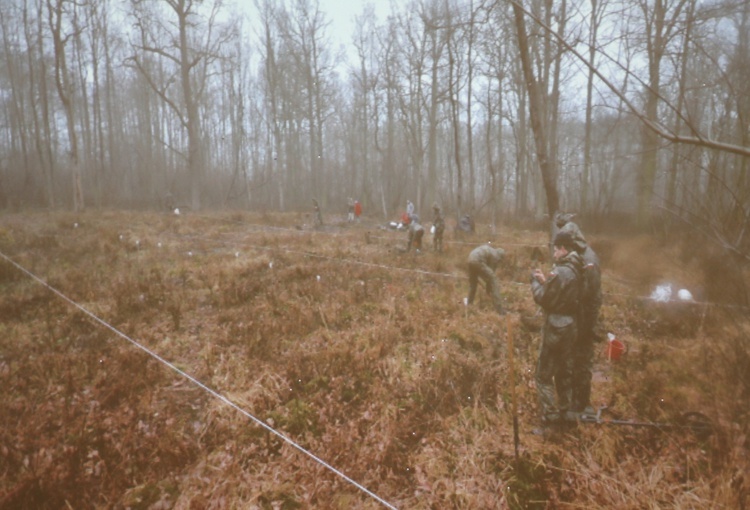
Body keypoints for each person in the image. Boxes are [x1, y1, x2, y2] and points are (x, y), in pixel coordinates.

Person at [530, 230, 582, 429]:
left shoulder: (560, 272)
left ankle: (550, 419)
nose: (553, 252)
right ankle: (567, 413)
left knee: (543, 375)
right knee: (564, 371)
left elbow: (544, 298)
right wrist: (547, 282)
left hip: (556, 328)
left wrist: (535, 282)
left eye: (555, 248)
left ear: (562, 248)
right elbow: (561, 292)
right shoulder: (576, 268)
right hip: (571, 326)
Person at [557, 215, 602, 419]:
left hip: (585, 317)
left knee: (582, 360)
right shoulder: (581, 254)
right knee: (574, 359)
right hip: (579, 315)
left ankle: (580, 404)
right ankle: (575, 402)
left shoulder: (588, 259)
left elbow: (587, 294)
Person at [466, 244, 506, 314]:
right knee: (494, 280)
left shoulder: (491, 251)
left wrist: (488, 287)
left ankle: (469, 305)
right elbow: (491, 276)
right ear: (500, 257)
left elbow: (487, 276)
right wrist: (490, 288)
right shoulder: (495, 256)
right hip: (478, 260)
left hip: (470, 258)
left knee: (473, 285)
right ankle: (499, 309)